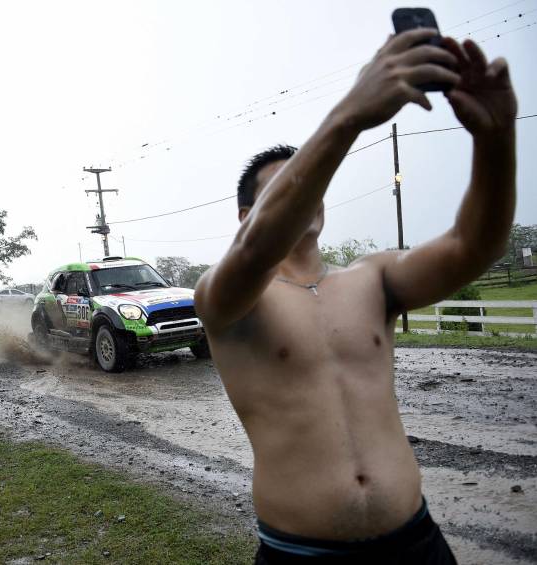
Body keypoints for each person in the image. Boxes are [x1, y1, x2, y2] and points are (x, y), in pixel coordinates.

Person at [194, 31, 516, 564]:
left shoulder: (371, 277)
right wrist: (350, 114)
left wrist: (496, 136)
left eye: (311, 186)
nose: (307, 196)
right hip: (299, 553)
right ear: (246, 216)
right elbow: (254, 252)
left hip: (416, 543)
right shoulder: (226, 296)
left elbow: (474, 244)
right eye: (286, 189)